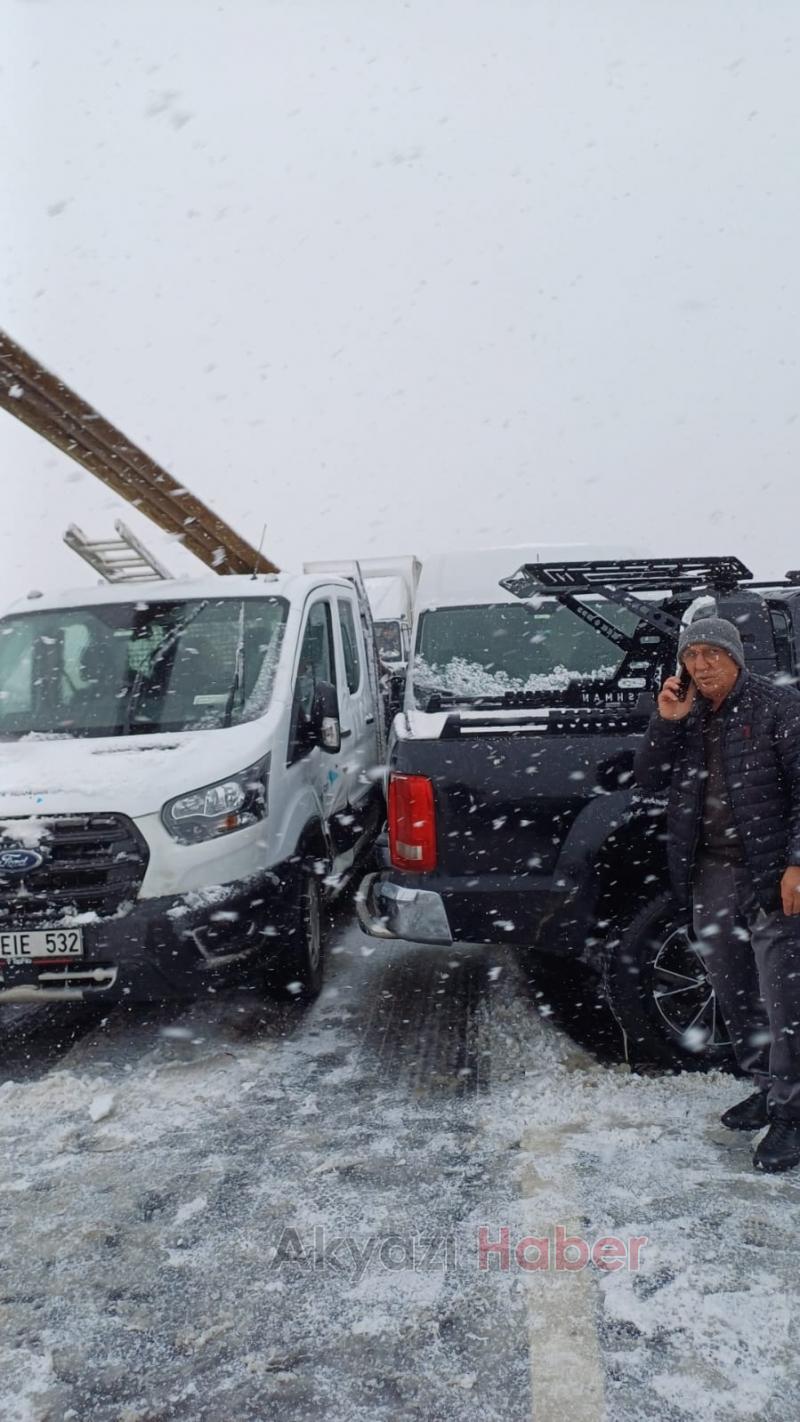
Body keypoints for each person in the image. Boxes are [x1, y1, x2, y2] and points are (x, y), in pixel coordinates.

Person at [635, 616, 800, 1172]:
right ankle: (765, 1086)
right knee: (734, 987)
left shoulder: (778, 707)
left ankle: (792, 1114)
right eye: (693, 655)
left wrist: (797, 863)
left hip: (771, 869)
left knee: (785, 1000)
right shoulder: (688, 712)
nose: (701, 665)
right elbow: (649, 780)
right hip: (711, 870)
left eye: (712, 654)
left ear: (736, 657)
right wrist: (666, 721)